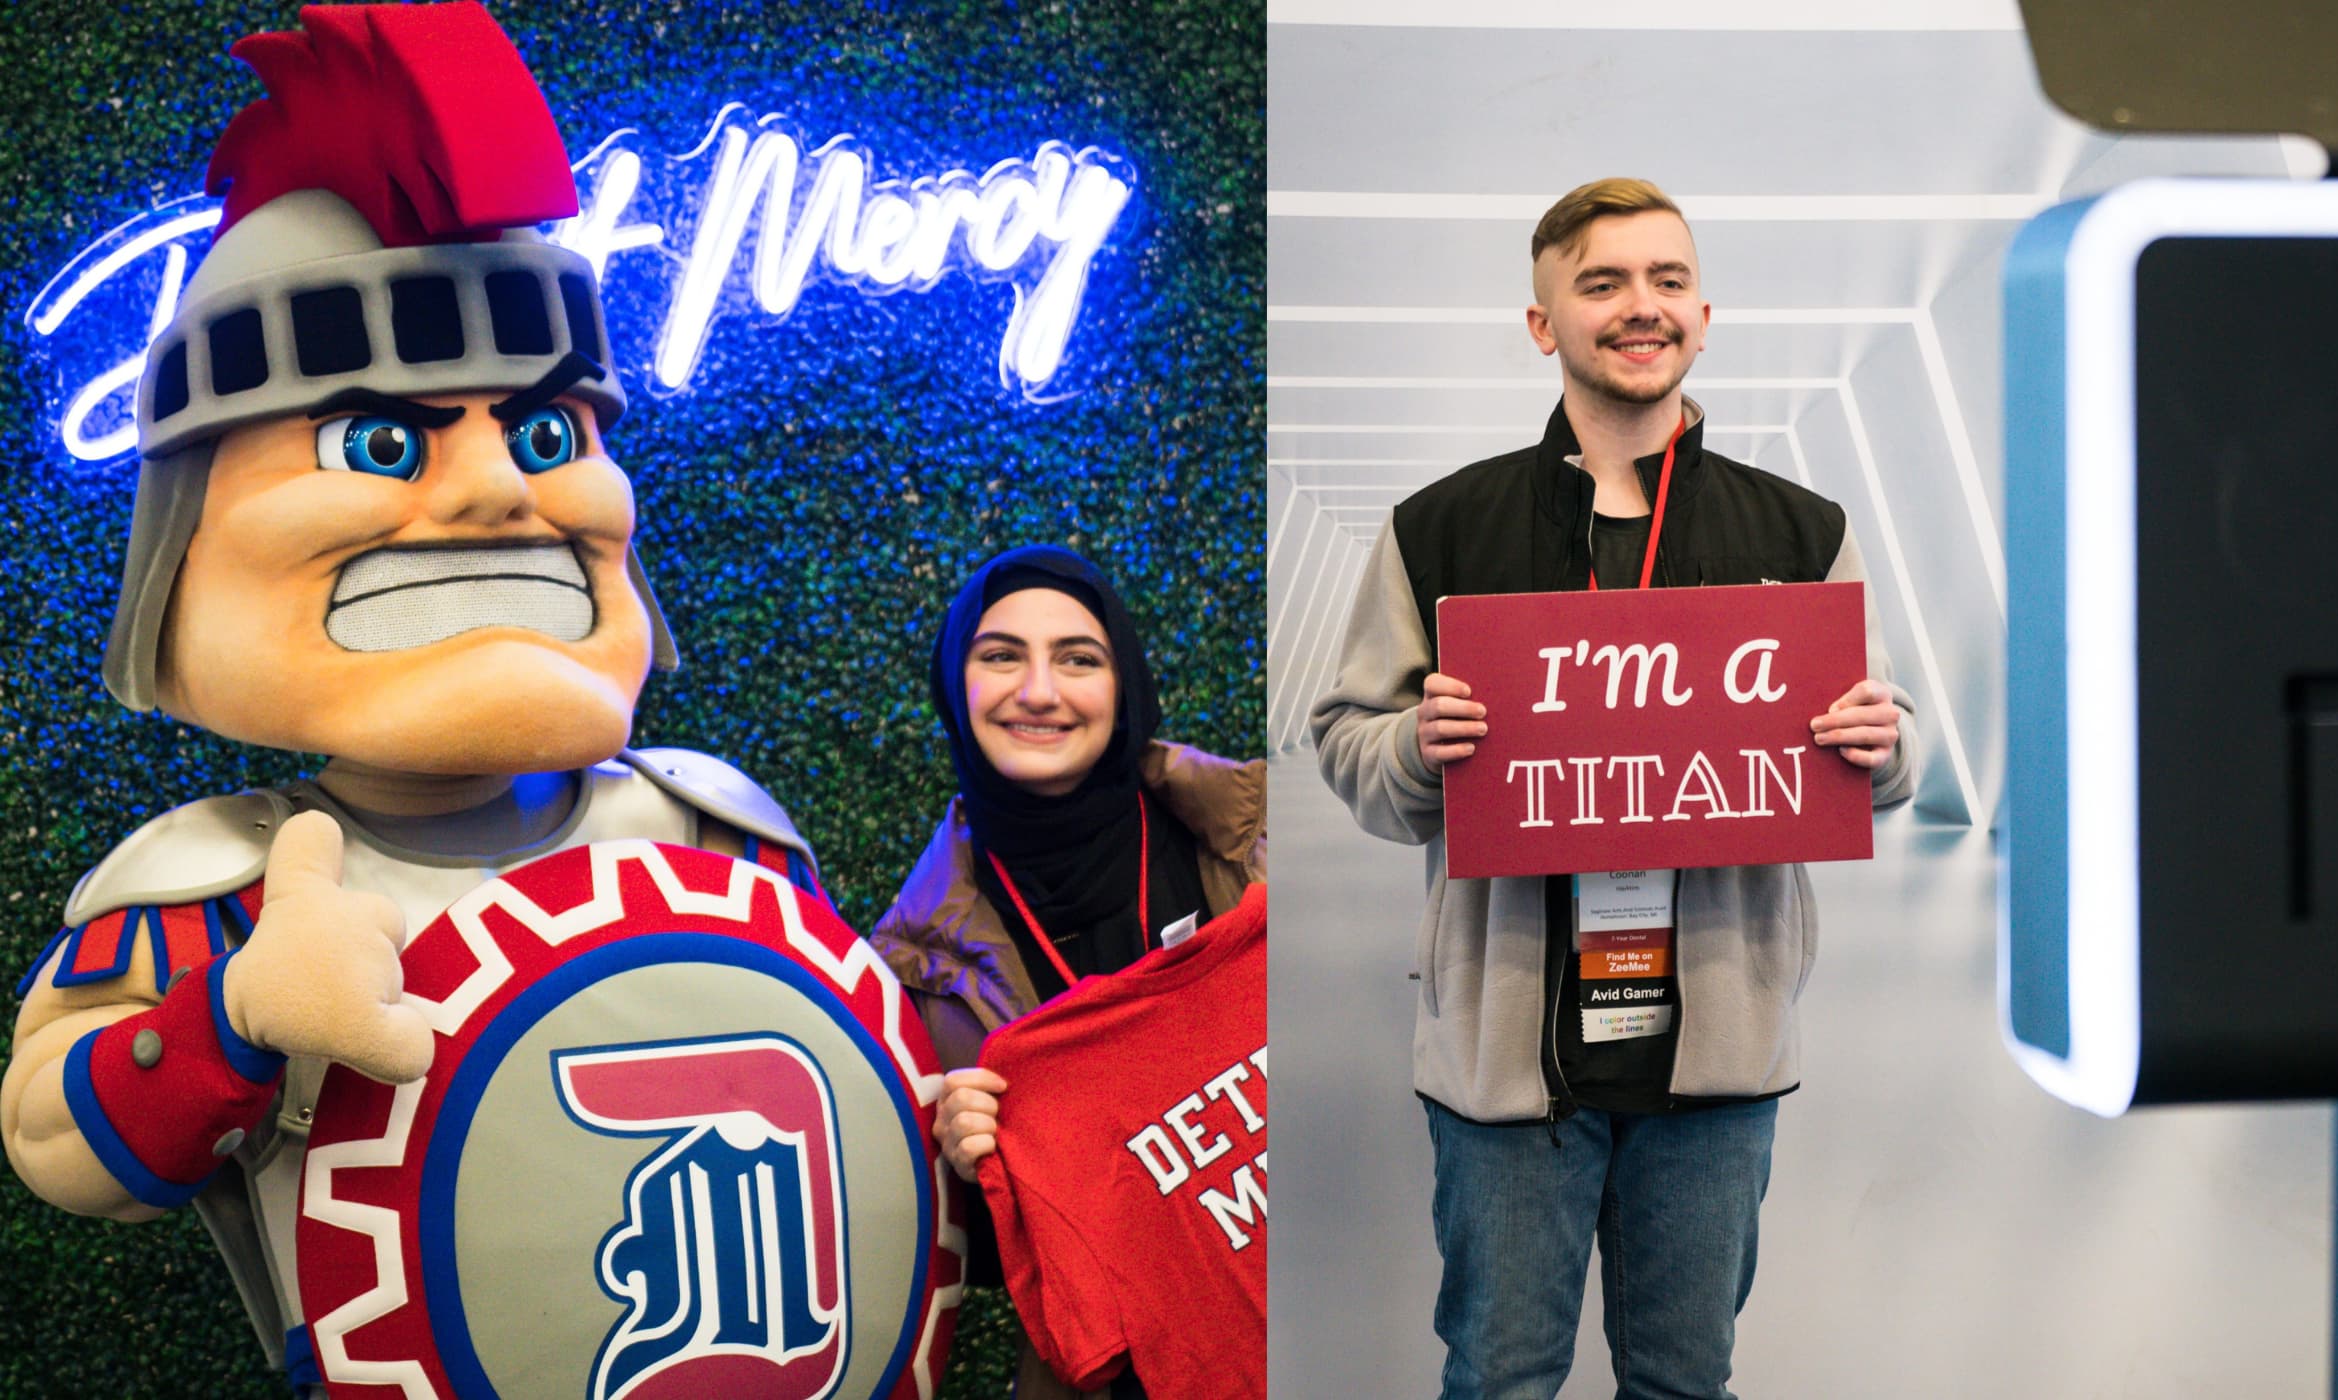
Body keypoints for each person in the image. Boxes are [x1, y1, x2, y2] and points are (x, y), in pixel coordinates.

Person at [0, 11, 823, 1395]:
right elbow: (50, 1141)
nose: (502, 490)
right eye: (382, 441)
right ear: (191, 543)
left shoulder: (711, 834)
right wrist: (231, 1020)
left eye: (549, 433)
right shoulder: (225, 884)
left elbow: (834, 1084)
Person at [1310, 176, 1916, 1400]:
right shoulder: (1443, 528)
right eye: (1601, 283)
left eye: (1665, 279)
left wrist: (1878, 744)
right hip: (1505, 1057)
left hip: (1717, 1056)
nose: (1639, 307)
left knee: (1685, 1382)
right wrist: (1418, 755)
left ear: (1703, 312)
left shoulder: (1799, 531)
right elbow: (1346, 739)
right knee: (1497, 1376)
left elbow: (1887, 752)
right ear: (1545, 324)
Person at [869, 546, 1266, 1400]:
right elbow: (949, 1258)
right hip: (1115, 1369)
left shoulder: (1265, 844)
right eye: (1001, 655)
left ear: (1122, 683)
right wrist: (960, 1170)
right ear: (955, 683)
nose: (1040, 692)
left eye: (1078, 659)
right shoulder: (913, 971)